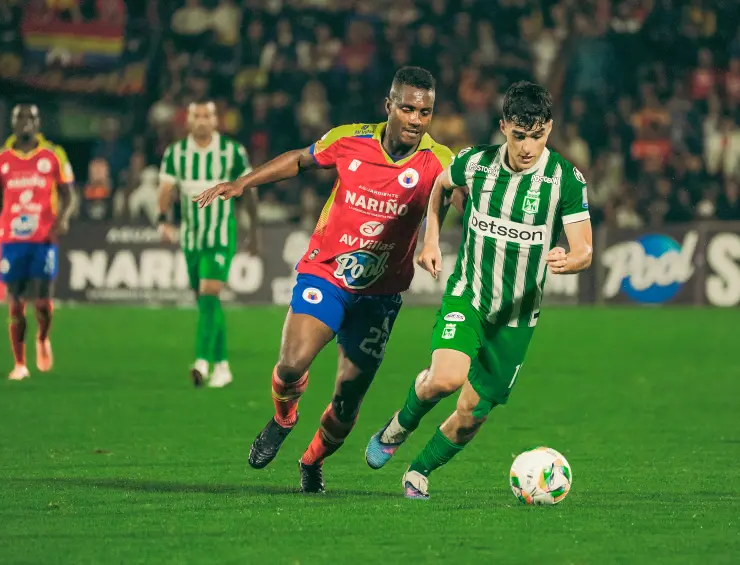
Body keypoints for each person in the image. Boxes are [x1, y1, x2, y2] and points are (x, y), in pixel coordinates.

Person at [193, 67, 454, 493]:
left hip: (380, 295)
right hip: (328, 272)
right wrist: (243, 182)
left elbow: (454, 192)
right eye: (406, 108)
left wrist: (432, 238)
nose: (415, 119)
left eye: (424, 112)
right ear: (388, 105)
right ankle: (283, 418)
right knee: (291, 363)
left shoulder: (438, 159)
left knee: (347, 404)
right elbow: (299, 159)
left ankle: (311, 461)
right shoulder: (348, 139)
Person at [365, 81, 594, 500]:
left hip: (517, 319)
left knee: (471, 415)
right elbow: (440, 187)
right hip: (469, 295)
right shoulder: (475, 163)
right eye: (520, 136)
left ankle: (420, 470)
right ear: (504, 126)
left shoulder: (565, 180)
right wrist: (430, 239)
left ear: (550, 129)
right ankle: (399, 425)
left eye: (539, 136)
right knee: (446, 380)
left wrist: (570, 257)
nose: (528, 147)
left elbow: (584, 250)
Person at [158, 100, 261, 388]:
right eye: (197, 116)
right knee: (207, 301)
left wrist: (255, 230)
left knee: (209, 292)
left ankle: (202, 363)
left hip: (220, 237)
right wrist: (161, 218)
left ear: (216, 121)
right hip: (191, 239)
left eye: (207, 116)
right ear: (188, 121)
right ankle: (223, 365)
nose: (202, 120)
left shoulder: (232, 152)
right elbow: (165, 189)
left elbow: (249, 189)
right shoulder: (176, 154)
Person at [0, 104, 76, 380]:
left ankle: (43, 338)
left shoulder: (53, 155)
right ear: (11, 123)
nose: (25, 122)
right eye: (19, 117)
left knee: (43, 303)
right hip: (12, 239)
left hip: (43, 238)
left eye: (30, 117)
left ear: (38, 122)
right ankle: (20, 364)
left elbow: (69, 193)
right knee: (15, 302)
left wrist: (64, 217)